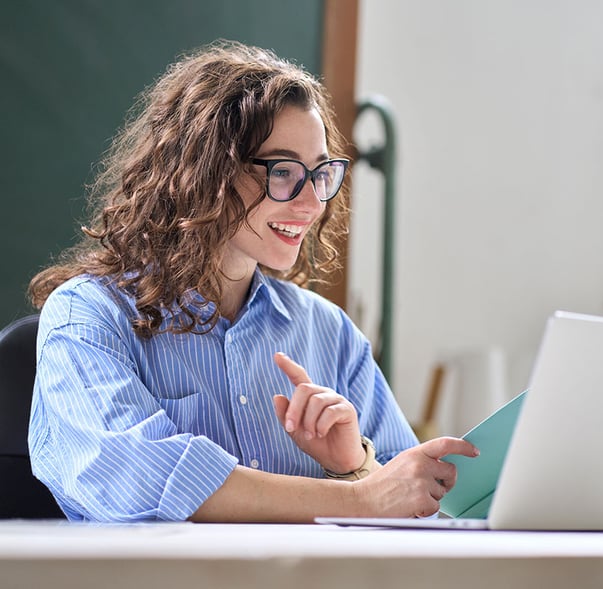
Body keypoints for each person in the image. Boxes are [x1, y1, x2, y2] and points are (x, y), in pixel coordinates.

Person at [27, 40, 478, 523]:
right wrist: (359, 501)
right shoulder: (86, 316)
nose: (310, 204)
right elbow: (140, 480)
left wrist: (355, 469)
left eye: (320, 173)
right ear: (206, 173)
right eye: (283, 172)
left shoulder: (329, 331)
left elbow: (418, 505)